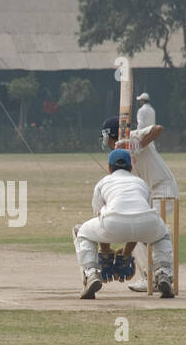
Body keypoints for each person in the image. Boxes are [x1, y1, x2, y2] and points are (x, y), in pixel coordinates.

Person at [74, 149, 175, 299]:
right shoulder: (141, 183)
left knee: (81, 232)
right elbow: (137, 217)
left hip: (112, 223)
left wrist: (106, 255)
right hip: (146, 222)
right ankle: (163, 274)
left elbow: (99, 218)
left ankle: (91, 274)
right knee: (162, 234)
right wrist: (126, 254)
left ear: (109, 168)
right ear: (130, 168)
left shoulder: (103, 183)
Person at [101, 116, 180, 292]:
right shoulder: (120, 156)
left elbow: (158, 128)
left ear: (111, 134)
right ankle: (156, 275)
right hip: (150, 193)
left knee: (144, 231)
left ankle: (154, 276)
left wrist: (134, 145)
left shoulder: (134, 136)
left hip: (163, 188)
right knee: (138, 231)